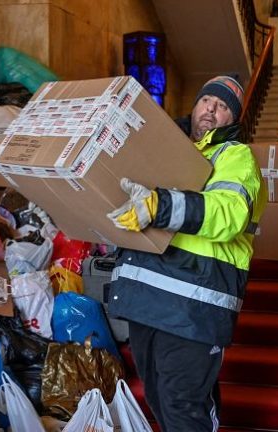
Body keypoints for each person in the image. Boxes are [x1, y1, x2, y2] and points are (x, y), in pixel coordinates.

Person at [105, 75, 266, 432]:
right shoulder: (166, 152)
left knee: (182, 404)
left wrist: (159, 206)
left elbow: (228, 214)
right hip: (147, 299)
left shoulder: (235, 157)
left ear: (233, 119)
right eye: (207, 100)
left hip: (195, 304)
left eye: (223, 106)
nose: (212, 108)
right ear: (194, 106)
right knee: (161, 398)